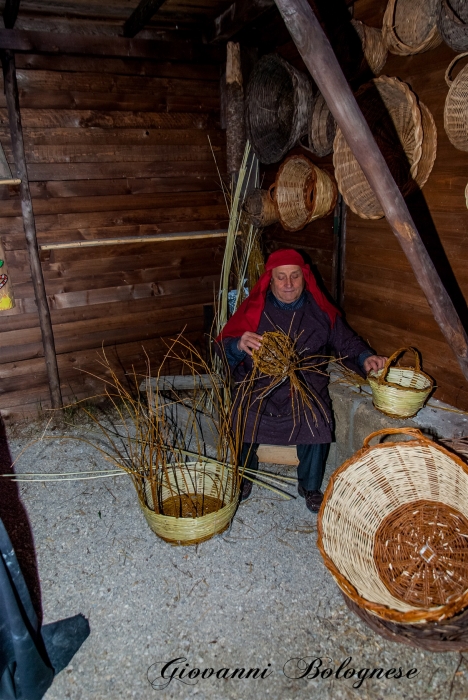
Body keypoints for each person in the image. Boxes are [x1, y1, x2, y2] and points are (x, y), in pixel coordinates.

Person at [217, 248, 386, 513]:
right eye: (281, 277)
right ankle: (244, 477)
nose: (287, 284)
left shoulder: (319, 311)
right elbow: (223, 347)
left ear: (303, 278)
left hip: (304, 384)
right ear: (270, 281)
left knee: (316, 415)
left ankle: (309, 487)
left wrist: (365, 357)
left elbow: (345, 340)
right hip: (259, 385)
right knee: (242, 414)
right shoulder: (254, 310)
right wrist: (238, 345)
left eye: (294, 276)